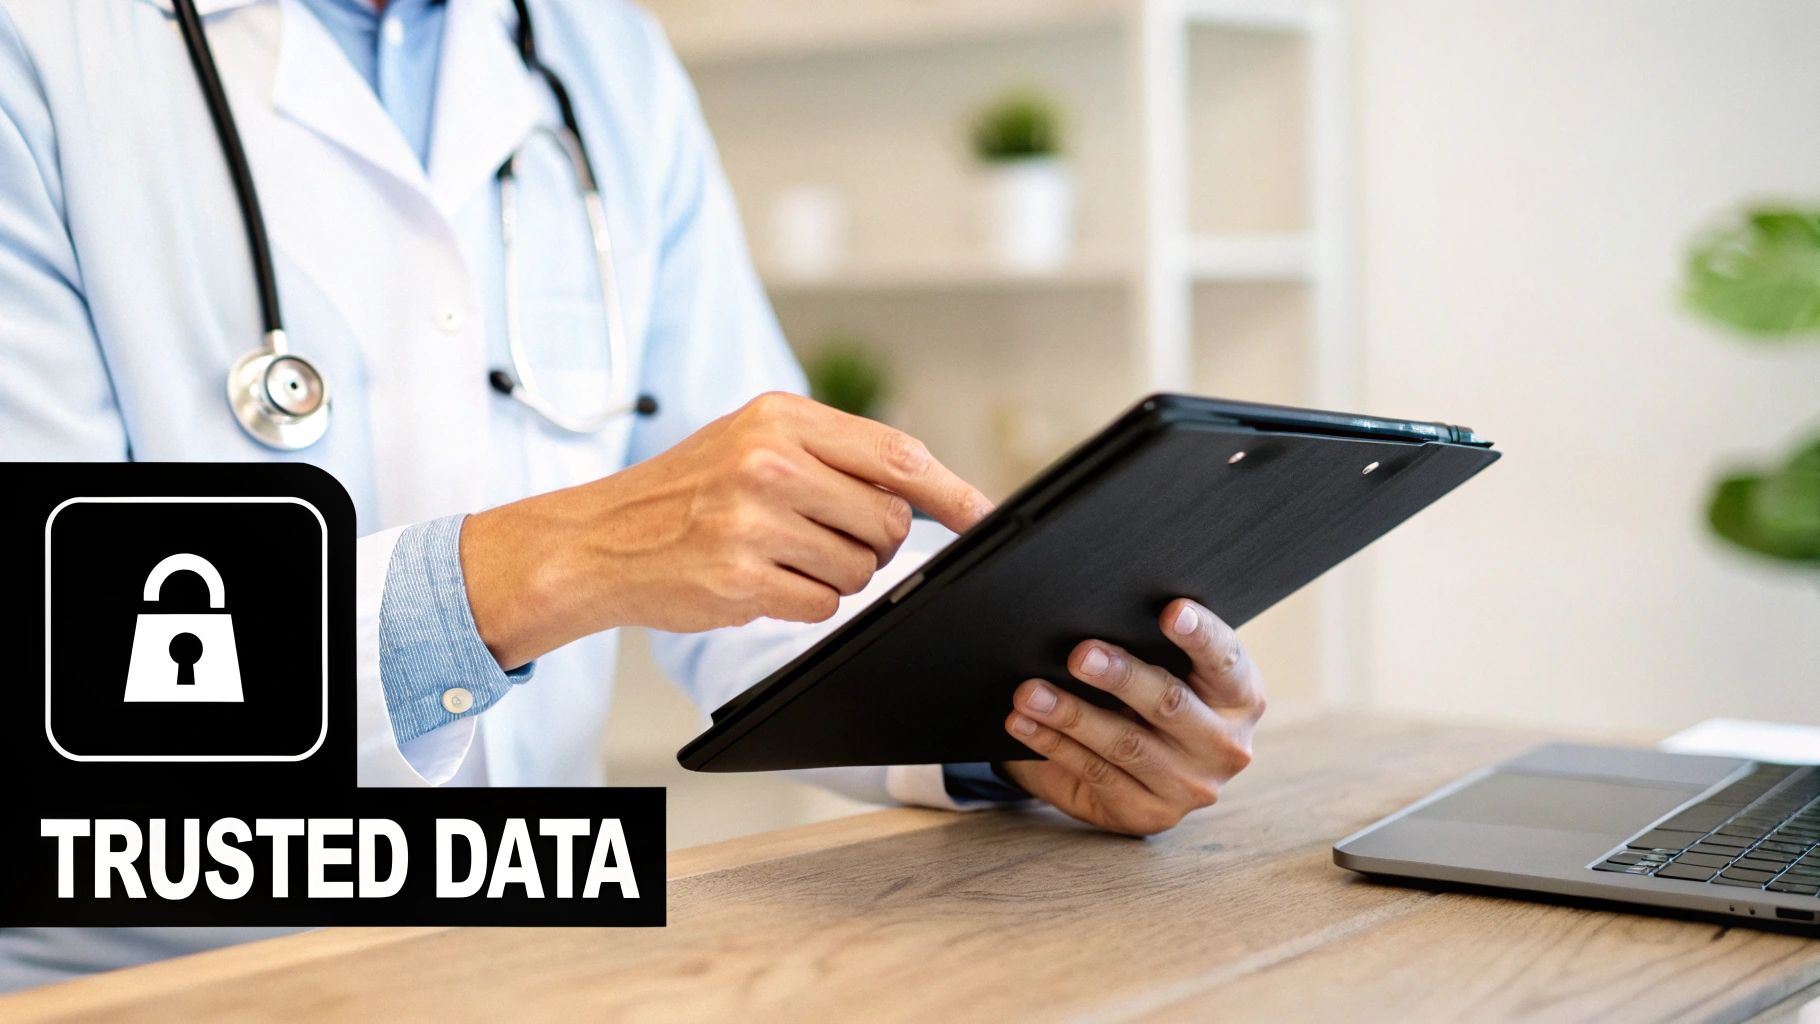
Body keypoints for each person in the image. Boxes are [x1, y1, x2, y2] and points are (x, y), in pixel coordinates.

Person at [0, 0, 1266, 988]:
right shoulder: (39, 52)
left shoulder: (598, 57)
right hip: (147, 969)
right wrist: (560, 561)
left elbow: (764, 580)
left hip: (530, 957)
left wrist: (1031, 726)